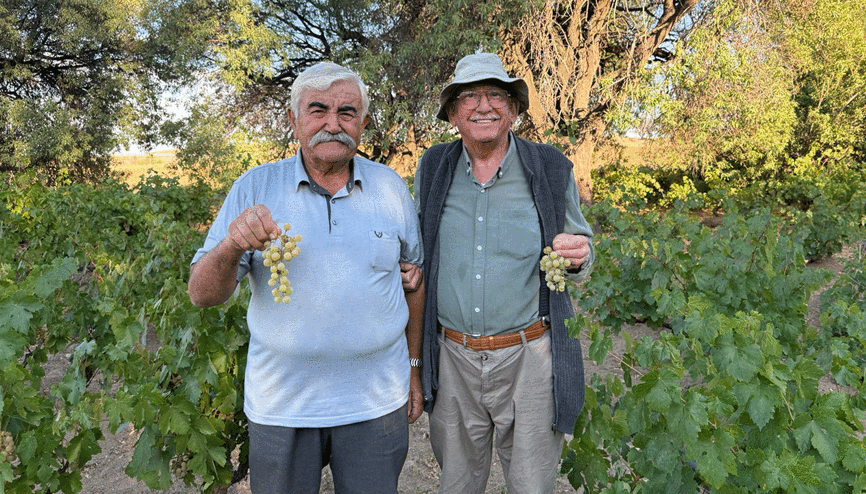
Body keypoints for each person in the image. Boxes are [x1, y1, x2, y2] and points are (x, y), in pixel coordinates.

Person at [187, 61, 424, 494]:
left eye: (347, 112)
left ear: (363, 124)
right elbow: (201, 294)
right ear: (293, 120)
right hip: (282, 407)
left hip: (376, 403)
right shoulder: (254, 188)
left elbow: (414, 280)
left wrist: (413, 368)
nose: (333, 124)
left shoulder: (391, 188)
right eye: (318, 110)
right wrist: (231, 246)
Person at [413, 53, 595, 493]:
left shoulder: (550, 167)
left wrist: (579, 255)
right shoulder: (433, 167)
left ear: (513, 110)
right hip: (452, 358)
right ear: (453, 114)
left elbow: (581, 246)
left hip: (529, 358)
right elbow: (417, 246)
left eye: (496, 94)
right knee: (457, 484)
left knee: (531, 485)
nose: (483, 105)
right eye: (469, 96)